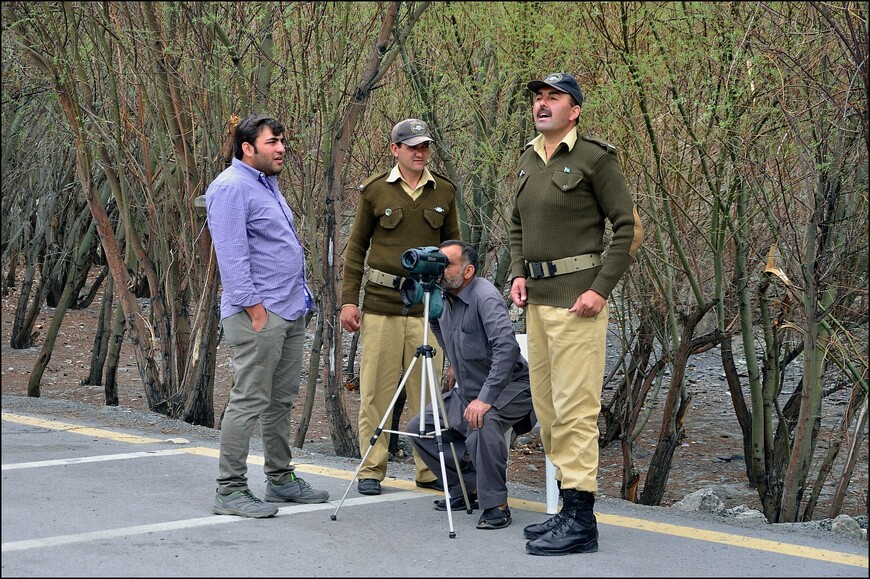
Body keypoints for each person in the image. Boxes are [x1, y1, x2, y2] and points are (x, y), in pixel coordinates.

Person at [509, 73, 644, 555]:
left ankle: (582, 520)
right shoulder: (528, 158)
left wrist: (600, 290)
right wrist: (518, 272)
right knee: (546, 409)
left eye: (554, 98)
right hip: (537, 303)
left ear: (575, 110)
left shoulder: (594, 158)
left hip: (577, 302)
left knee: (575, 410)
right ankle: (567, 507)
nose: (543, 105)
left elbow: (628, 229)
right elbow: (517, 226)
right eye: (539, 98)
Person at [206, 113, 330, 518]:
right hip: (259, 316)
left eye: (282, 141)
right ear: (248, 147)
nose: (281, 149)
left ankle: (280, 480)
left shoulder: (266, 185)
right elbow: (231, 255)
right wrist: (256, 311)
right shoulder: (230, 187)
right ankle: (230, 489)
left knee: (280, 401)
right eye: (273, 142)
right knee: (248, 399)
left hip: (290, 309)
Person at [340, 118, 461, 496]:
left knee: (426, 393)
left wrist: (456, 305)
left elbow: (455, 252)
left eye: (424, 146)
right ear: (396, 150)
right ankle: (371, 470)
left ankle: (428, 470)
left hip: (428, 308)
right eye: (412, 147)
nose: (419, 152)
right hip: (381, 305)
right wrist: (348, 300)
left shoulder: (444, 191)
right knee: (376, 390)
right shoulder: (376, 191)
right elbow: (357, 248)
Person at [407, 240, 535, 530]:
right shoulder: (444, 296)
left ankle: (497, 505)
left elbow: (506, 348)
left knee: (483, 422)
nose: (440, 269)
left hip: (509, 387)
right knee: (420, 427)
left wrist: (486, 398)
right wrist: (454, 360)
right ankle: (468, 489)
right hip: (468, 389)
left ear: (468, 271)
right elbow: (441, 329)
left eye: (447, 263)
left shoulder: (484, 296)